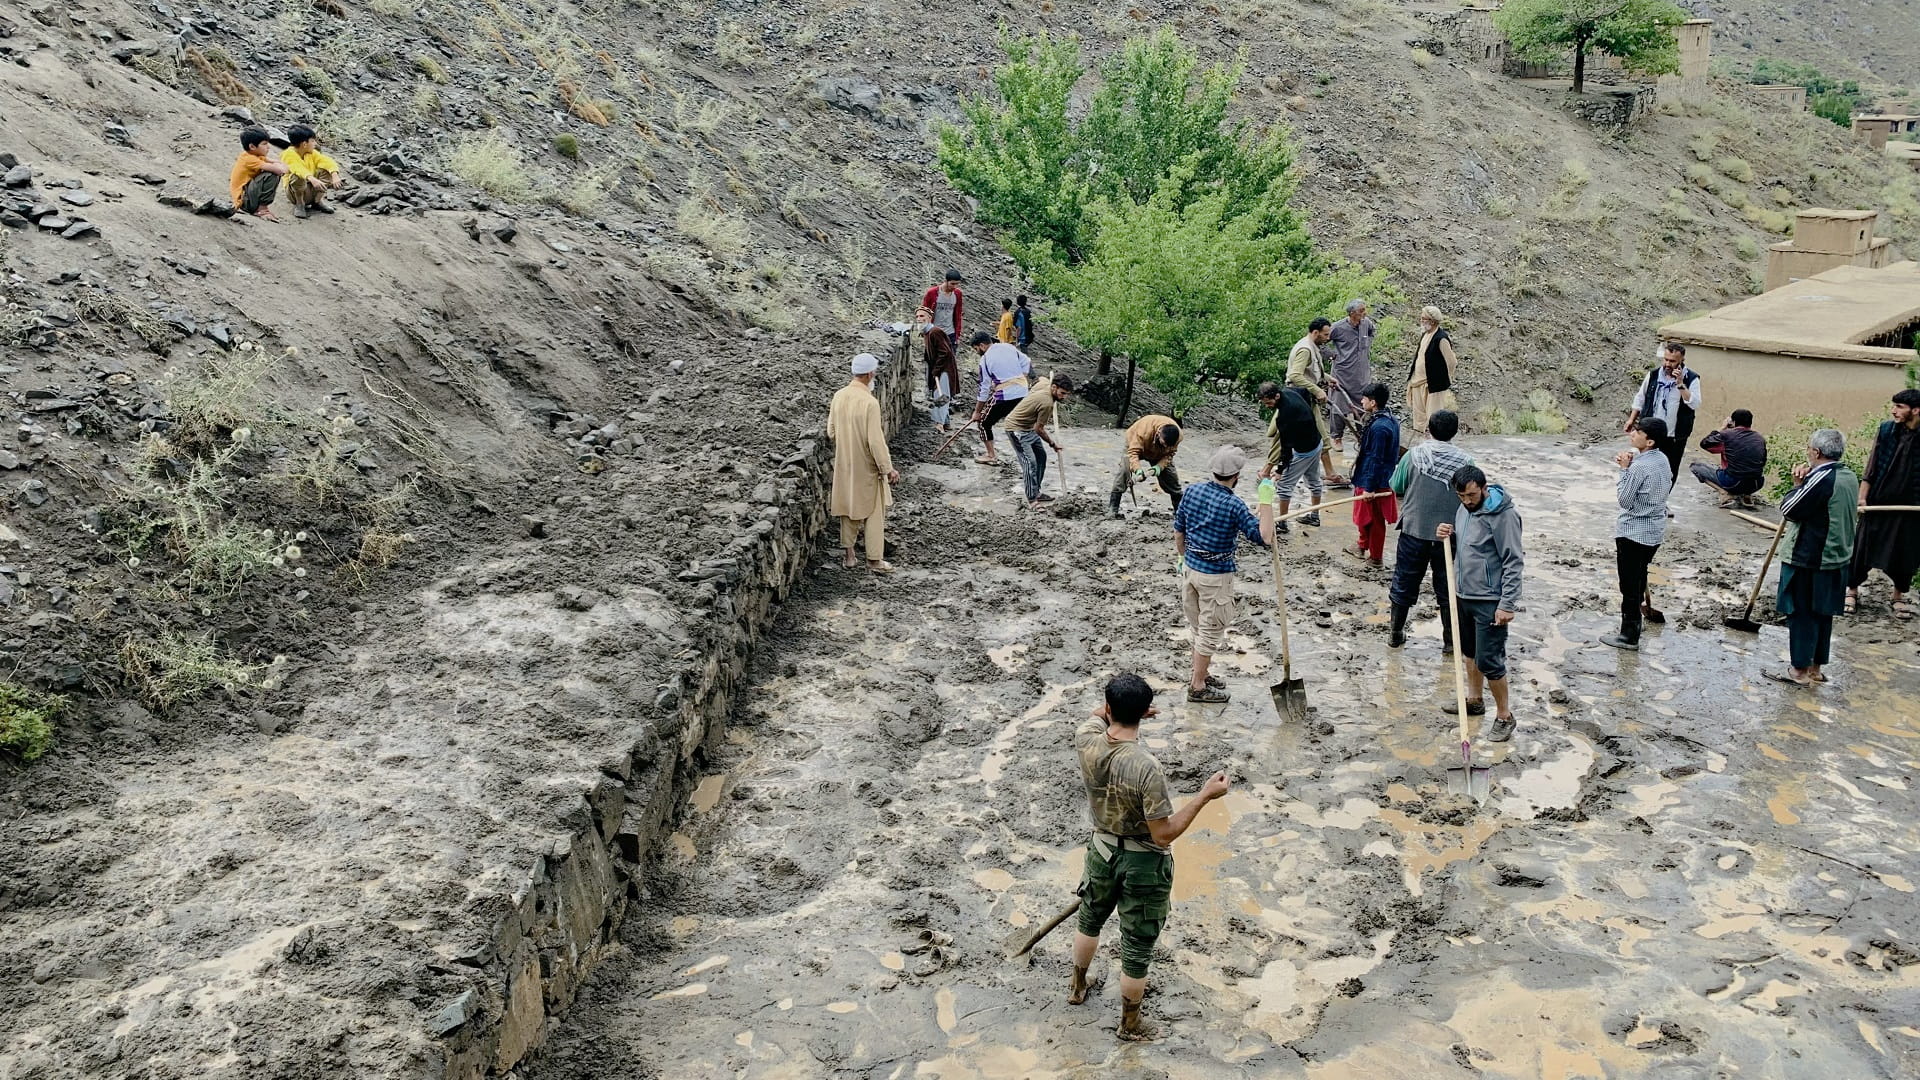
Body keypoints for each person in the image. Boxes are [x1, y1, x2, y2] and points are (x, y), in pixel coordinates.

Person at [1070, 673, 1231, 1041]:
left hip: (1101, 851)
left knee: (1089, 920)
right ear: (1144, 713)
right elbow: (1163, 834)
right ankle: (1130, 1025)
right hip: (1142, 863)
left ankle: (1077, 987)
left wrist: (1122, 709)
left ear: (1108, 708)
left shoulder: (1086, 738)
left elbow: (1097, 716)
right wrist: (1205, 795)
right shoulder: (1146, 767)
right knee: (1136, 947)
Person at [1171, 446, 1278, 703]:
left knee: (1198, 627)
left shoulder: (1192, 491)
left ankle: (1202, 673)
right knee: (1209, 632)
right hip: (1216, 578)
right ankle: (1197, 686)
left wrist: (1182, 557)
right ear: (1236, 476)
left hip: (1190, 570)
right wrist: (1265, 499)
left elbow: (1179, 529)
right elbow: (1264, 536)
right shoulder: (1234, 505)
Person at [1435, 465, 1524, 742]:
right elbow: (1468, 544)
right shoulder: (1464, 509)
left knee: (1490, 660)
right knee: (1469, 652)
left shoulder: (1504, 515)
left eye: (1472, 495)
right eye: (1461, 496)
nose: (1467, 501)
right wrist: (1448, 534)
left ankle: (1504, 716)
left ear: (1484, 488)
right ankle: (1474, 701)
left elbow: (1513, 560)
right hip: (1463, 594)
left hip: (1490, 600)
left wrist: (1507, 603)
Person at [1769, 428, 1859, 686]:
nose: (1807, 452)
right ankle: (1815, 669)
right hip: (1837, 556)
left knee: (1801, 612)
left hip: (1811, 557)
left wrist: (1797, 485)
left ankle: (1798, 671)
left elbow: (1790, 509)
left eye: (1809, 448)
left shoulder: (1821, 479)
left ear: (1816, 452)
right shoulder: (1849, 476)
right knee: (1823, 613)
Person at [1387, 409, 1472, 649]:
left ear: (1429, 430)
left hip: (1414, 531)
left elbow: (1397, 486)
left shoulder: (1413, 456)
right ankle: (1450, 642)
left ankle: (1395, 634)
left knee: (1404, 582)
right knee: (1449, 588)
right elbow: (1473, 499)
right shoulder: (1466, 462)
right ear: (1455, 432)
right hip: (1450, 536)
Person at [1848, 388, 1920, 620]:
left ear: (1915, 410)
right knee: (1862, 548)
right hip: (1878, 502)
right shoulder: (1887, 430)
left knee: (1906, 552)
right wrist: (1862, 498)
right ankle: (1851, 590)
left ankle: (1898, 596)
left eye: (1899, 407)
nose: (1893, 411)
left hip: (1911, 507)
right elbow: (1872, 466)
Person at [1603, 418, 1674, 651]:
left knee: (1629, 586)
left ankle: (1629, 635)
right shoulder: (1662, 460)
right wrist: (1630, 466)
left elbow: (1624, 500)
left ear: (1650, 441)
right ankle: (1636, 623)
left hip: (1633, 533)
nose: (1632, 434)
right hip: (1654, 532)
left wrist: (1624, 470)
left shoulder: (1639, 467)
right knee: (1639, 575)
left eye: (1637, 432)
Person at [827, 353, 899, 574]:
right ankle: (874, 560)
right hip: (867, 466)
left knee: (848, 508)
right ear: (869, 374)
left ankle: (849, 557)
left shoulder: (839, 396)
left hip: (845, 463)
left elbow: (831, 431)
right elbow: (875, 441)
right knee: (874, 512)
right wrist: (887, 469)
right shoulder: (869, 402)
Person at [1624, 342, 1703, 483]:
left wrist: (1680, 384)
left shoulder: (1691, 378)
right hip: (1651, 433)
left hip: (1674, 436)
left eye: (1672, 361)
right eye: (1666, 359)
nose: (1667, 364)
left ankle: (1663, 494)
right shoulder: (1654, 375)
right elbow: (1640, 398)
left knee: (1669, 470)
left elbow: (1694, 403)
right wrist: (1631, 419)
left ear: (1681, 360)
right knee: (1645, 465)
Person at [1286, 317, 1348, 488]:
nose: (1328, 338)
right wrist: (1317, 390)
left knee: (1289, 436)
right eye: (1325, 335)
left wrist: (1327, 378)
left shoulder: (1311, 346)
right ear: (1315, 332)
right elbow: (1295, 375)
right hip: (1300, 399)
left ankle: (1329, 473)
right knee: (1317, 436)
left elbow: (1310, 372)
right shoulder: (1305, 349)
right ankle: (1330, 474)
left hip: (1303, 398)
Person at [1256, 381, 1323, 532]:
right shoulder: (1291, 391)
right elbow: (1305, 392)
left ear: (1277, 396)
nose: (1267, 406)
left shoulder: (1285, 416)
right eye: (1264, 403)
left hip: (1304, 451)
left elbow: (1286, 447)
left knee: (1284, 486)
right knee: (1314, 481)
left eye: (1269, 402)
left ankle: (1282, 524)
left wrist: (1280, 470)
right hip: (1317, 442)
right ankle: (1315, 516)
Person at [1348, 382, 1400, 566]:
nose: (1361, 401)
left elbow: (1376, 459)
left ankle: (1376, 557)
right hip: (1376, 476)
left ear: (1373, 402)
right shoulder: (1390, 420)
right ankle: (1362, 545)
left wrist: (1369, 487)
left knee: (1374, 520)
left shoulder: (1379, 428)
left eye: (1364, 399)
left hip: (1374, 480)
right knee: (1364, 517)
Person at [1006, 374, 1075, 510]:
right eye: (1062, 393)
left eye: (1067, 394)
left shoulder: (1046, 384)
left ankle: (1036, 491)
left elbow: (1042, 378)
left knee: (1041, 457)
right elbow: (1039, 429)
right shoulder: (1047, 403)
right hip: (1016, 429)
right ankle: (1032, 500)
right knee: (1030, 463)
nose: (1064, 397)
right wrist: (1053, 444)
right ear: (1054, 387)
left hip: (1028, 427)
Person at [969, 331, 1031, 465]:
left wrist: (977, 412)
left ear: (982, 345)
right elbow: (1027, 361)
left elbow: (984, 389)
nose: (977, 352)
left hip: (1005, 395)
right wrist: (1021, 378)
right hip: (1023, 392)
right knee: (1022, 424)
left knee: (983, 423)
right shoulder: (1008, 347)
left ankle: (991, 455)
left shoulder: (985, 360)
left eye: (976, 349)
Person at [1109, 415, 1183, 518]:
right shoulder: (1142, 432)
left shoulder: (1178, 437)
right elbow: (1133, 453)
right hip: (1135, 445)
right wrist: (1138, 470)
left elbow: (1170, 454)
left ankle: (1180, 511)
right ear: (1158, 433)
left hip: (1160, 454)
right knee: (1124, 471)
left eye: (1168, 446)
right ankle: (1113, 509)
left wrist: (1159, 466)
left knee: (1171, 479)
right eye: (1164, 443)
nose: (1166, 446)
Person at [1327, 300, 1377, 451]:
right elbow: (1321, 341)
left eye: (1364, 309)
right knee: (1339, 408)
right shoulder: (1338, 327)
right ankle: (1336, 437)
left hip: (1361, 375)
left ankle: (1362, 437)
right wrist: (1331, 355)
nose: (1364, 313)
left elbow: (1372, 332)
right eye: (1361, 311)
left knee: (1363, 408)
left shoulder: (1366, 323)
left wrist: (1367, 348)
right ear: (1351, 313)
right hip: (1342, 375)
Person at [1692, 410, 1768, 507]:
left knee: (1695, 467)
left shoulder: (1727, 435)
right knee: (1748, 470)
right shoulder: (1760, 438)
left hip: (1733, 483)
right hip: (1756, 484)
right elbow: (1763, 462)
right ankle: (1747, 496)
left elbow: (1705, 443)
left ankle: (1724, 493)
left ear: (1733, 422)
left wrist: (1722, 428)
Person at [1409, 306, 1458, 434]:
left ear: (1432, 321)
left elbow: (1452, 362)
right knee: (1419, 417)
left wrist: (1445, 378)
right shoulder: (1425, 335)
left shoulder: (1441, 338)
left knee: (1433, 417)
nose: (1421, 321)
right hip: (1418, 382)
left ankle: (1433, 442)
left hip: (1434, 385)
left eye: (1423, 318)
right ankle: (1420, 440)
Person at [280, 124, 343, 219]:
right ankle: (300, 204)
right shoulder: (288, 154)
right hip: (295, 193)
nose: (315, 144)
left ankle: (317, 201)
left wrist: (334, 174)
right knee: (297, 176)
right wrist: (312, 179)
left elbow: (326, 161)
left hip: (310, 188)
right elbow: (297, 169)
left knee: (327, 170)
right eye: (313, 141)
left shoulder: (311, 153)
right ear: (304, 144)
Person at [916, 306, 962, 432]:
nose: (919, 319)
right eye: (917, 316)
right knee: (941, 395)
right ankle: (946, 423)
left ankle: (939, 424)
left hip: (945, 370)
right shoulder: (927, 333)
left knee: (940, 395)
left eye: (922, 316)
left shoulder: (935, 332)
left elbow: (945, 352)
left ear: (929, 318)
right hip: (939, 369)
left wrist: (936, 369)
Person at [229, 128, 289, 221]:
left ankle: (260, 207)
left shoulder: (254, 155)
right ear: (252, 146)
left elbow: (276, 162)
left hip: (248, 197)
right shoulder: (249, 159)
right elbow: (280, 170)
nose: (268, 147)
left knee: (272, 170)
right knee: (271, 174)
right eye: (264, 144)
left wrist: (280, 166)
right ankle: (262, 210)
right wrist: (281, 167)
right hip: (245, 202)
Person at [921, 270, 965, 349]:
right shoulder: (932, 293)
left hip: (950, 333)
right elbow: (924, 312)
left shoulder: (958, 294)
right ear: (946, 281)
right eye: (952, 284)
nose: (955, 286)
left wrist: (957, 335)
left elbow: (958, 315)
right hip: (934, 332)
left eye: (957, 284)